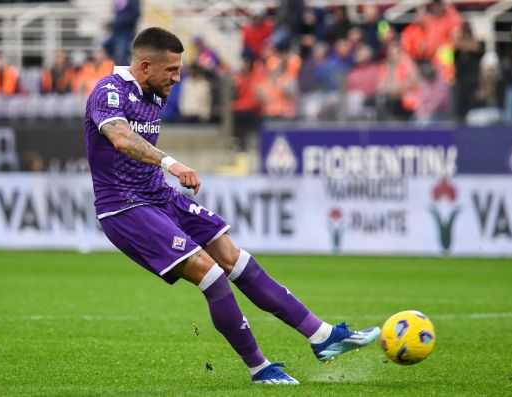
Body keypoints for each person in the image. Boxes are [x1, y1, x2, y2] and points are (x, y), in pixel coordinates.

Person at [84, 27, 380, 385]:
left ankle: (322, 336)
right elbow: (119, 137)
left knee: (234, 258)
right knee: (210, 273)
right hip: (124, 207)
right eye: (172, 71)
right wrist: (172, 164)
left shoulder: (154, 92)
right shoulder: (108, 92)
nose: (177, 78)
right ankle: (260, 368)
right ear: (145, 66)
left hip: (159, 195)